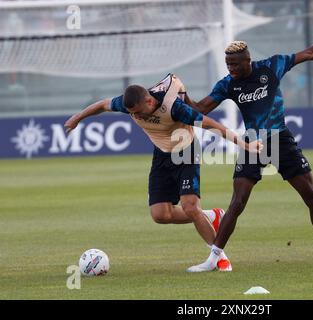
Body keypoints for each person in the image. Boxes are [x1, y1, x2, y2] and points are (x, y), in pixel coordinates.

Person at [186, 27, 313, 272]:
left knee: (312, 196)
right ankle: (214, 258)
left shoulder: (272, 66)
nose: (231, 69)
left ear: (248, 61)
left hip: (280, 140)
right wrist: (182, 97)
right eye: (228, 64)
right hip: (253, 142)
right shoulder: (228, 84)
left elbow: (311, 53)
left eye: (234, 64)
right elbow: (201, 109)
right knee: (238, 202)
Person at [64, 74, 262, 271]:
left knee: (190, 207)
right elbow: (102, 105)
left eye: (140, 112)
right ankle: (212, 216)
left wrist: (244, 145)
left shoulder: (175, 108)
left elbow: (211, 125)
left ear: (150, 101)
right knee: (160, 215)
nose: (138, 117)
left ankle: (219, 258)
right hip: (161, 155)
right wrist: (77, 117)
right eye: (134, 114)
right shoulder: (128, 104)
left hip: (186, 151)